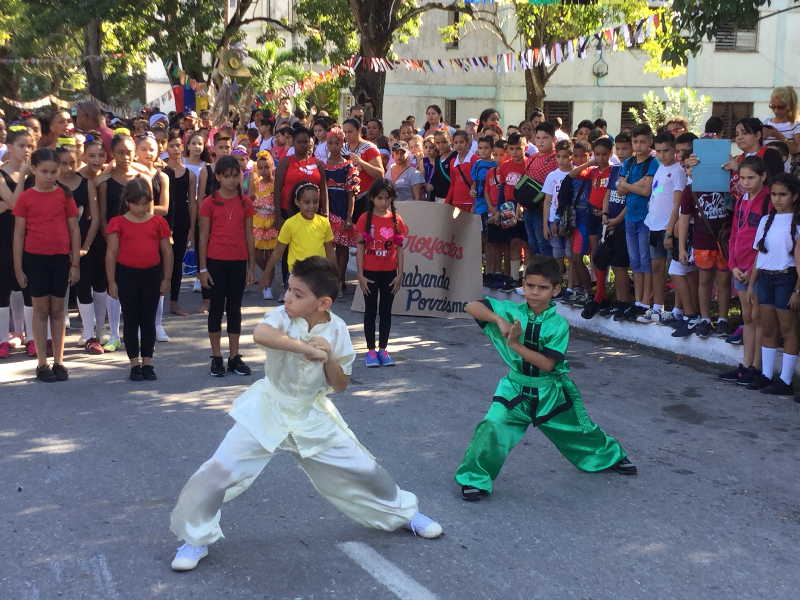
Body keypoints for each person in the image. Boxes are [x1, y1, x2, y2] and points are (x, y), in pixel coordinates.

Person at [169, 256, 442, 571]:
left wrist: (327, 357)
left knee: (366, 470)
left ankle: (405, 514)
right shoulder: (282, 316)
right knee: (217, 472)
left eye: (298, 294)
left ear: (322, 302)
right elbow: (261, 335)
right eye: (288, 290)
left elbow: (340, 385)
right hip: (269, 408)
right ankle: (195, 538)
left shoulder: (338, 330)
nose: (288, 298)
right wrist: (305, 348)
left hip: (311, 414)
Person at [455, 257, 637, 501]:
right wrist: (498, 319)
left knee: (576, 430)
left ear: (556, 290)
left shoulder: (558, 325)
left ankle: (609, 455)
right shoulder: (510, 310)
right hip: (515, 390)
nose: (535, 292)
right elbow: (471, 306)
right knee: (492, 425)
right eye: (530, 286)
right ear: (523, 285)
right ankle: (474, 479)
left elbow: (548, 364)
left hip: (549, 392)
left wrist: (515, 345)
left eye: (542, 288)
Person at [12, 148, 80, 382]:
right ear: (34, 170)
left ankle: (59, 361)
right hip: (35, 258)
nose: (50, 176)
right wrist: (18, 267)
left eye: (53, 171)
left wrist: (75, 263)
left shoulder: (65, 194)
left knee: (59, 310)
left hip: (60, 258)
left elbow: (74, 228)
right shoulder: (25, 197)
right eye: (44, 171)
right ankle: (42, 363)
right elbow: (19, 234)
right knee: (40, 310)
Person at [106, 179, 173, 381]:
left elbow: (167, 252)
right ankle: (134, 363)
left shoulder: (158, 222)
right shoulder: (117, 223)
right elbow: (111, 253)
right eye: (137, 203)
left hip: (151, 274)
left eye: (146, 203)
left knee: (148, 320)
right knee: (132, 319)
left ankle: (148, 362)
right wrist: (111, 281)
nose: (142, 208)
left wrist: (167, 278)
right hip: (127, 275)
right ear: (128, 202)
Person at [198, 156, 256, 378]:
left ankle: (234, 355)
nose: (232, 181)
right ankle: (216, 356)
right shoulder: (209, 203)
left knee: (235, 308)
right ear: (218, 177)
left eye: (236, 175)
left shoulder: (245, 202)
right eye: (227, 176)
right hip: (215, 261)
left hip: (238, 261)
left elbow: (249, 234)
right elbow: (203, 237)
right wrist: (202, 269)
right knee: (216, 307)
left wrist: (251, 266)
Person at [746, 173, 800, 395]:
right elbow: (759, 256)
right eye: (774, 194)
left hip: (786, 279)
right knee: (768, 328)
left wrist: (797, 290)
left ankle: (785, 381)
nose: (778, 199)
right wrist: (751, 284)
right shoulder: (766, 220)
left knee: (788, 329)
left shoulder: (797, 223)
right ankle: (767, 374)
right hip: (765, 279)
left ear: (794, 196)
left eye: (783, 195)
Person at [719, 156, 771, 386]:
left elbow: (767, 241)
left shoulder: (768, 201)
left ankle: (757, 368)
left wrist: (752, 269)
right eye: (743, 178)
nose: (746, 182)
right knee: (748, 318)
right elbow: (734, 235)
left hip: (757, 270)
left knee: (759, 319)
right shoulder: (741, 200)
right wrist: (733, 266)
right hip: (739, 267)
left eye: (751, 178)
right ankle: (746, 365)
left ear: (763, 177)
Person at [55, 142, 103, 354]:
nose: (67, 168)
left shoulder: (86, 184)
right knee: (56, 290)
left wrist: (85, 246)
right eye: (63, 164)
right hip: (55, 246)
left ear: (78, 161)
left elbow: (94, 218)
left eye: (71, 163)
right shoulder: (51, 184)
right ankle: (51, 336)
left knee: (85, 289)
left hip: (82, 245)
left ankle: (89, 335)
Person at [636, 132, 687, 324]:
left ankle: (677, 309)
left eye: (666, 151)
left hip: (669, 228)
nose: (662, 155)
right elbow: (656, 192)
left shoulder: (678, 171)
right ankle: (657, 307)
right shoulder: (659, 168)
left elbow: (676, 204)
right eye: (658, 151)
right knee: (657, 267)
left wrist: (669, 230)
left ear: (674, 150)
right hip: (653, 224)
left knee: (675, 270)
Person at [356, 179, 408, 368]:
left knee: (386, 312)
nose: (383, 202)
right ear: (372, 198)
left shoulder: (396, 220)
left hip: (389, 273)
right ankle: (370, 351)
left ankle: (383, 349)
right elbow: (360, 248)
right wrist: (360, 275)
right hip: (370, 273)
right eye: (380, 198)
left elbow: (400, 249)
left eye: (387, 198)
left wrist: (400, 274)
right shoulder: (364, 219)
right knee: (370, 311)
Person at [96, 133, 140, 351]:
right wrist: (109, 239)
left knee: (136, 289)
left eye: (129, 152)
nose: (125, 157)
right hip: (113, 242)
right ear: (112, 154)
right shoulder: (106, 182)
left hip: (137, 241)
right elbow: (103, 216)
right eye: (120, 153)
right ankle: (114, 334)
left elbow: (148, 212)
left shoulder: (141, 179)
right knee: (113, 287)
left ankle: (137, 331)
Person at [274, 126, 329, 299]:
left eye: (306, 141)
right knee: (288, 251)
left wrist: (325, 213)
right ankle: (288, 287)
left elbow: (323, 189)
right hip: (288, 213)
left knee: (311, 250)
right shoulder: (286, 162)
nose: (303, 145)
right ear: (293, 142)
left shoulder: (318, 164)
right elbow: (277, 189)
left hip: (313, 214)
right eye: (299, 142)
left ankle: (310, 288)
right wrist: (278, 215)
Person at [260, 183, 336, 298]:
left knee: (315, 309)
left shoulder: (324, 223)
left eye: (315, 202)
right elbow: (278, 252)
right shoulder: (290, 224)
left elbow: (330, 251)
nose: (311, 206)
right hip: (297, 275)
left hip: (318, 274)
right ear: (297, 202)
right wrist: (266, 273)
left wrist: (334, 274)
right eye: (306, 202)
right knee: (297, 310)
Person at [0, 126, 36, 358]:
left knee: (28, 286)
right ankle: (3, 338)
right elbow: (16, 203)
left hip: (29, 235)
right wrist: (22, 176)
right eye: (22, 145)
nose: (26, 150)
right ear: (10, 147)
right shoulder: (2, 174)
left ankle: (32, 336)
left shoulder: (37, 174)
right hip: (4, 234)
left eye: (30, 146)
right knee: (3, 286)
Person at [616, 124, 658, 321]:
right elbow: (619, 188)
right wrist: (633, 186)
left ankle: (646, 300)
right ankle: (638, 300)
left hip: (646, 217)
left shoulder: (653, 162)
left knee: (645, 259)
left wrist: (628, 186)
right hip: (630, 216)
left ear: (650, 142)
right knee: (634, 260)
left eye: (643, 141)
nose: (639, 145)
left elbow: (646, 190)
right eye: (635, 141)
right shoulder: (630, 162)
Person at [135, 133, 171, 341]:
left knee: (157, 278)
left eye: (152, 149)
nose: (148, 153)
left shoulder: (162, 176)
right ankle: (140, 323)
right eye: (143, 149)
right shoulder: (132, 175)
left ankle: (157, 324)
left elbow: (164, 208)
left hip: (156, 230)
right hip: (134, 230)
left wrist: (142, 210)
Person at [164, 132, 197, 316]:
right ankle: (157, 300)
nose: (176, 149)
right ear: (166, 149)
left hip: (182, 220)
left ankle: (174, 303)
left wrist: (192, 226)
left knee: (177, 262)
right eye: (172, 146)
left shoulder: (189, 174)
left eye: (178, 145)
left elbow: (192, 201)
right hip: (164, 219)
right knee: (160, 261)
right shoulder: (161, 170)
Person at [324, 128, 359, 292]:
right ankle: (330, 278)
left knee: (342, 247)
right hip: (326, 209)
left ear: (342, 143)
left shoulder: (348, 166)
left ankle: (340, 279)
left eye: (337, 143)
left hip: (342, 208)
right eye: (330, 143)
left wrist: (349, 217)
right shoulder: (322, 165)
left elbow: (351, 193)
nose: (333, 146)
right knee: (327, 246)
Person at [496, 133, 531, 287]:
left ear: (526, 147)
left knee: (527, 244)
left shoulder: (529, 164)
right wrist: (499, 209)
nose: (516, 152)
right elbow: (502, 189)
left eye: (519, 148)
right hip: (509, 207)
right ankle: (514, 277)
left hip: (525, 207)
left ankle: (527, 279)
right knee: (513, 242)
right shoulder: (505, 166)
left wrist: (523, 206)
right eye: (512, 149)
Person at [542, 140, 574, 298]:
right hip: (553, 219)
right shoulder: (552, 176)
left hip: (568, 221)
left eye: (565, 157)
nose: (561, 160)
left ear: (571, 157)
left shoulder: (575, 173)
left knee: (570, 252)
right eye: (558, 156)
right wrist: (545, 225)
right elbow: (547, 201)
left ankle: (571, 285)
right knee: (557, 253)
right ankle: (558, 283)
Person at [523, 122, 558, 258]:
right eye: (538, 138)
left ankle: (548, 276)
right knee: (532, 243)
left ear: (553, 139)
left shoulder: (556, 158)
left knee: (544, 243)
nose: (541, 141)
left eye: (545, 138)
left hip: (543, 207)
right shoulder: (531, 158)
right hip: (528, 206)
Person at [250, 151, 279, 300]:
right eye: (260, 168)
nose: (263, 170)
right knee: (257, 254)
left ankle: (267, 285)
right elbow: (251, 199)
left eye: (266, 167)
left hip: (272, 221)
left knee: (270, 256)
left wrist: (277, 219)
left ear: (272, 166)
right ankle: (266, 275)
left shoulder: (276, 183)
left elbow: (278, 202)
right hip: (258, 221)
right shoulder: (256, 183)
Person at [342, 118, 384, 222]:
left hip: (366, 197)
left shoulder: (369, 147)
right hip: (346, 197)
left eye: (350, 132)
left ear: (359, 130)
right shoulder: (342, 148)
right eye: (345, 132)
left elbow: (380, 174)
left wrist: (361, 162)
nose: (347, 135)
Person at [444, 130, 477, 211]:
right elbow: (453, 184)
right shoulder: (453, 162)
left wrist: (475, 203)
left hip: (470, 202)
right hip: (456, 201)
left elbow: (477, 182)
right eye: (456, 142)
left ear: (467, 143)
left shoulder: (474, 159)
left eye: (461, 142)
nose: (458, 145)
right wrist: (447, 202)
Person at [763, 86, 800, 157]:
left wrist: (778, 135)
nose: (776, 111)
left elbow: (796, 150)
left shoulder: (795, 126)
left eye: (780, 107)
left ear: (789, 106)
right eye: (773, 106)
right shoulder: (766, 122)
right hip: (766, 167)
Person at [431, 130, 454, 204]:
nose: (441, 145)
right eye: (438, 143)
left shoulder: (455, 156)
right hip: (439, 197)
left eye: (444, 142)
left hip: (452, 197)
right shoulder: (437, 158)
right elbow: (436, 177)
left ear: (450, 140)